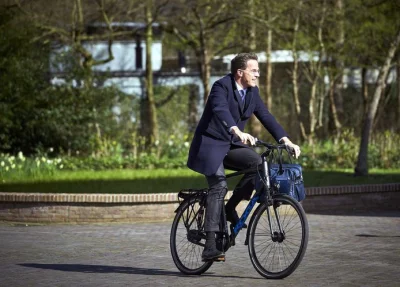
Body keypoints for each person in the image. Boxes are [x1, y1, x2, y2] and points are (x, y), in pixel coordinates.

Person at [187, 53, 301, 262]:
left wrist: (286, 140)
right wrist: (236, 130)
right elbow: (220, 109)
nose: (258, 74)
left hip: (230, 145)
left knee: (257, 164)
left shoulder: (252, 92)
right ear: (240, 72)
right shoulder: (221, 87)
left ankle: (231, 208)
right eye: (254, 70)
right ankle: (210, 246)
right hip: (210, 144)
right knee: (219, 186)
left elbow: (266, 116)